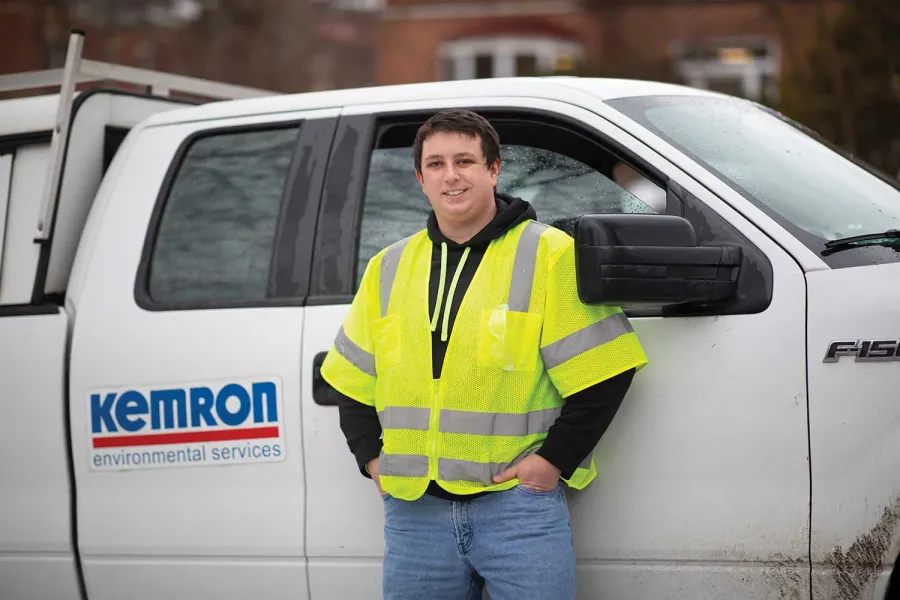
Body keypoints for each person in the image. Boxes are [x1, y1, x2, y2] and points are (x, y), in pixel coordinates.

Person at [320, 109, 648, 600]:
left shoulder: (549, 254)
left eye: (465, 161)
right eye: (435, 164)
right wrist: (371, 458)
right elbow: (349, 378)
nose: (450, 175)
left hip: (516, 510)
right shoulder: (388, 267)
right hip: (415, 515)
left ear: (494, 170)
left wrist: (553, 462)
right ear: (421, 179)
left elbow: (605, 368)